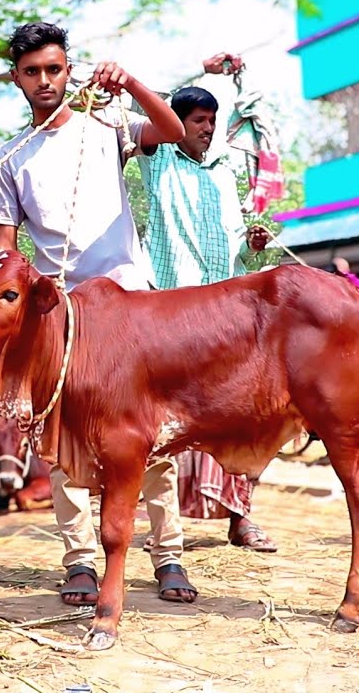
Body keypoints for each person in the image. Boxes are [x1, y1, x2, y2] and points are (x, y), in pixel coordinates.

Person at [0, 21, 197, 605]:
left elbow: (175, 131)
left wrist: (130, 83)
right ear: (16, 79)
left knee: (147, 430)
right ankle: (79, 559)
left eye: (54, 69)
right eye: (32, 72)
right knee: (60, 432)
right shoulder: (9, 160)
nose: (45, 81)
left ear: (69, 68)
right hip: (60, 315)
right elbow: (6, 254)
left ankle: (169, 553)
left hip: (128, 301)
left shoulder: (109, 126)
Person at [137, 83, 278, 552]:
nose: (207, 129)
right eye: (198, 121)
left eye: (211, 121)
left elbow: (233, 250)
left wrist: (252, 248)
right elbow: (155, 113)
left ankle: (241, 518)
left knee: (242, 413)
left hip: (225, 312)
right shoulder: (157, 159)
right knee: (168, 418)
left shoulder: (223, 174)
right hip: (172, 310)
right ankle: (166, 531)